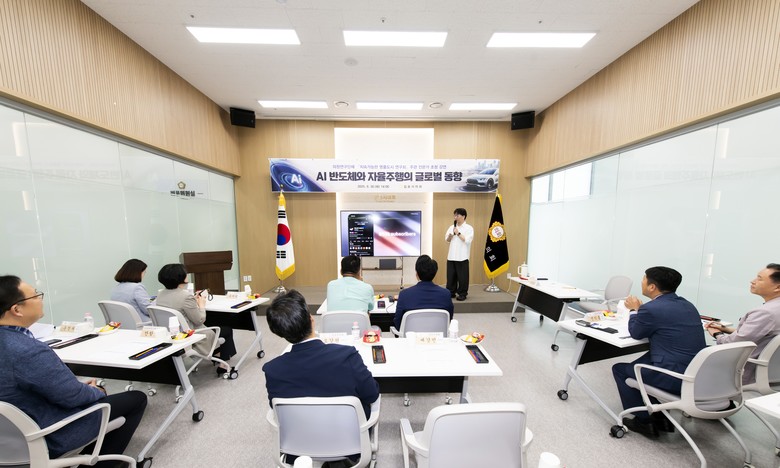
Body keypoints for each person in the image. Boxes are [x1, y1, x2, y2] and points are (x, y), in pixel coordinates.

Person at [0, 275, 147, 464]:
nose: (40, 299)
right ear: (17, 309)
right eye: (35, 295)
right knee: (136, 399)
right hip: (47, 434)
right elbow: (72, 396)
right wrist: (97, 391)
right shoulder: (27, 350)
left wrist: (78, 387)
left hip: (10, 438)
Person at [611, 266, 706, 439]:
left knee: (620, 370)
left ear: (652, 287)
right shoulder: (688, 305)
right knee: (639, 364)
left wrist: (634, 310)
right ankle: (660, 416)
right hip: (697, 372)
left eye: (643, 279)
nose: (641, 282)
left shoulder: (651, 309)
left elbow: (636, 332)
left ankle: (644, 421)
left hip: (676, 376)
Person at [263, 289, 379, 418]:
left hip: (300, 430)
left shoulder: (272, 370)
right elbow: (371, 394)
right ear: (311, 319)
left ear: (279, 333)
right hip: (349, 429)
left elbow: (277, 408)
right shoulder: (347, 356)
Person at [706, 263, 780, 384]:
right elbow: (764, 334)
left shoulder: (765, 313)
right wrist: (727, 330)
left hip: (743, 371)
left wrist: (717, 334)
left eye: (759, 279)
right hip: (772, 372)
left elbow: (734, 343)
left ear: (777, 287)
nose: (753, 281)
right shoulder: (775, 309)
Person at [155, 263, 236, 374]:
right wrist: (201, 304)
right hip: (191, 335)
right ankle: (222, 364)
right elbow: (199, 320)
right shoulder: (185, 296)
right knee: (226, 329)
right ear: (180, 277)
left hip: (171, 335)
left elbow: (177, 305)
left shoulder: (161, 294)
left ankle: (216, 355)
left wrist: (193, 300)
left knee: (214, 323)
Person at [393, 255, 454, 330]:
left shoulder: (404, 294)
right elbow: (449, 320)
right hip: (437, 336)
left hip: (411, 337)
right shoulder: (446, 294)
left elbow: (398, 323)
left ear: (417, 274)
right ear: (434, 273)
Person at [444, 207, 473, 301]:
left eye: (457, 215)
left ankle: (462, 293)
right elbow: (447, 240)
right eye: (454, 215)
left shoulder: (469, 228)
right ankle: (451, 292)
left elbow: (467, 240)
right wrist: (450, 236)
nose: (455, 217)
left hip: (462, 256)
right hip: (451, 256)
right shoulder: (451, 227)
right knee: (451, 276)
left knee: (463, 277)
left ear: (463, 216)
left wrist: (458, 233)